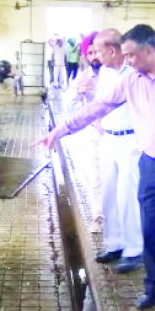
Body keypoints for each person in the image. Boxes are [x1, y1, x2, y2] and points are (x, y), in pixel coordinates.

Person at [37, 24, 155, 311]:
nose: (127, 62)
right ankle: (154, 288)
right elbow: (98, 107)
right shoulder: (131, 80)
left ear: (149, 50)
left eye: (131, 55)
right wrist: (60, 131)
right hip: (149, 163)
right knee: (150, 229)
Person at [91, 29, 143, 273]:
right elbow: (102, 101)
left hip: (130, 141)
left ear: (112, 50)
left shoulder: (134, 72)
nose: (95, 55)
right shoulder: (104, 71)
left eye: (99, 51)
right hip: (108, 139)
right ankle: (114, 245)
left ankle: (134, 250)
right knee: (109, 193)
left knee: (128, 195)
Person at [62, 32, 105, 232]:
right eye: (90, 52)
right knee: (94, 177)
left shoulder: (120, 74)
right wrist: (78, 92)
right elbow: (67, 105)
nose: (94, 56)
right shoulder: (84, 76)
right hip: (94, 134)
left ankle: (119, 221)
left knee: (119, 180)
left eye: (97, 51)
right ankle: (97, 216)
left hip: (121, 136)